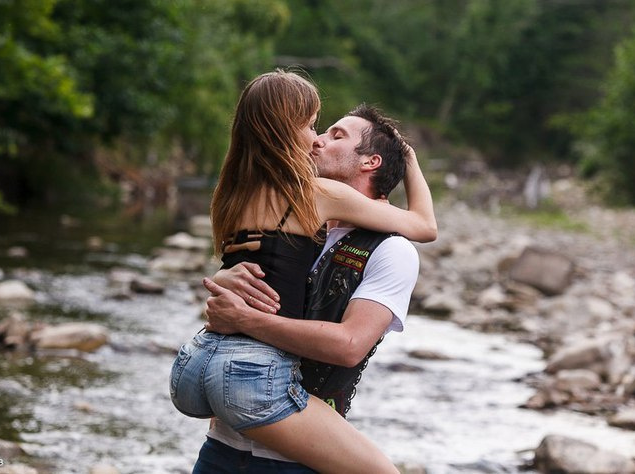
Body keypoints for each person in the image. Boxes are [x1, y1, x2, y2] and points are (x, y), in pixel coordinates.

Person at [169, 70, 436, 474]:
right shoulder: (305, 214)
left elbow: (349, 345)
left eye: (334, 135)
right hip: (230, 432)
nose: (318, 140)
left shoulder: (389, 250)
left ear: (371, 161)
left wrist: (245, 318)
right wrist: (222, 282)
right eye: (314, 127)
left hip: (272, 439)